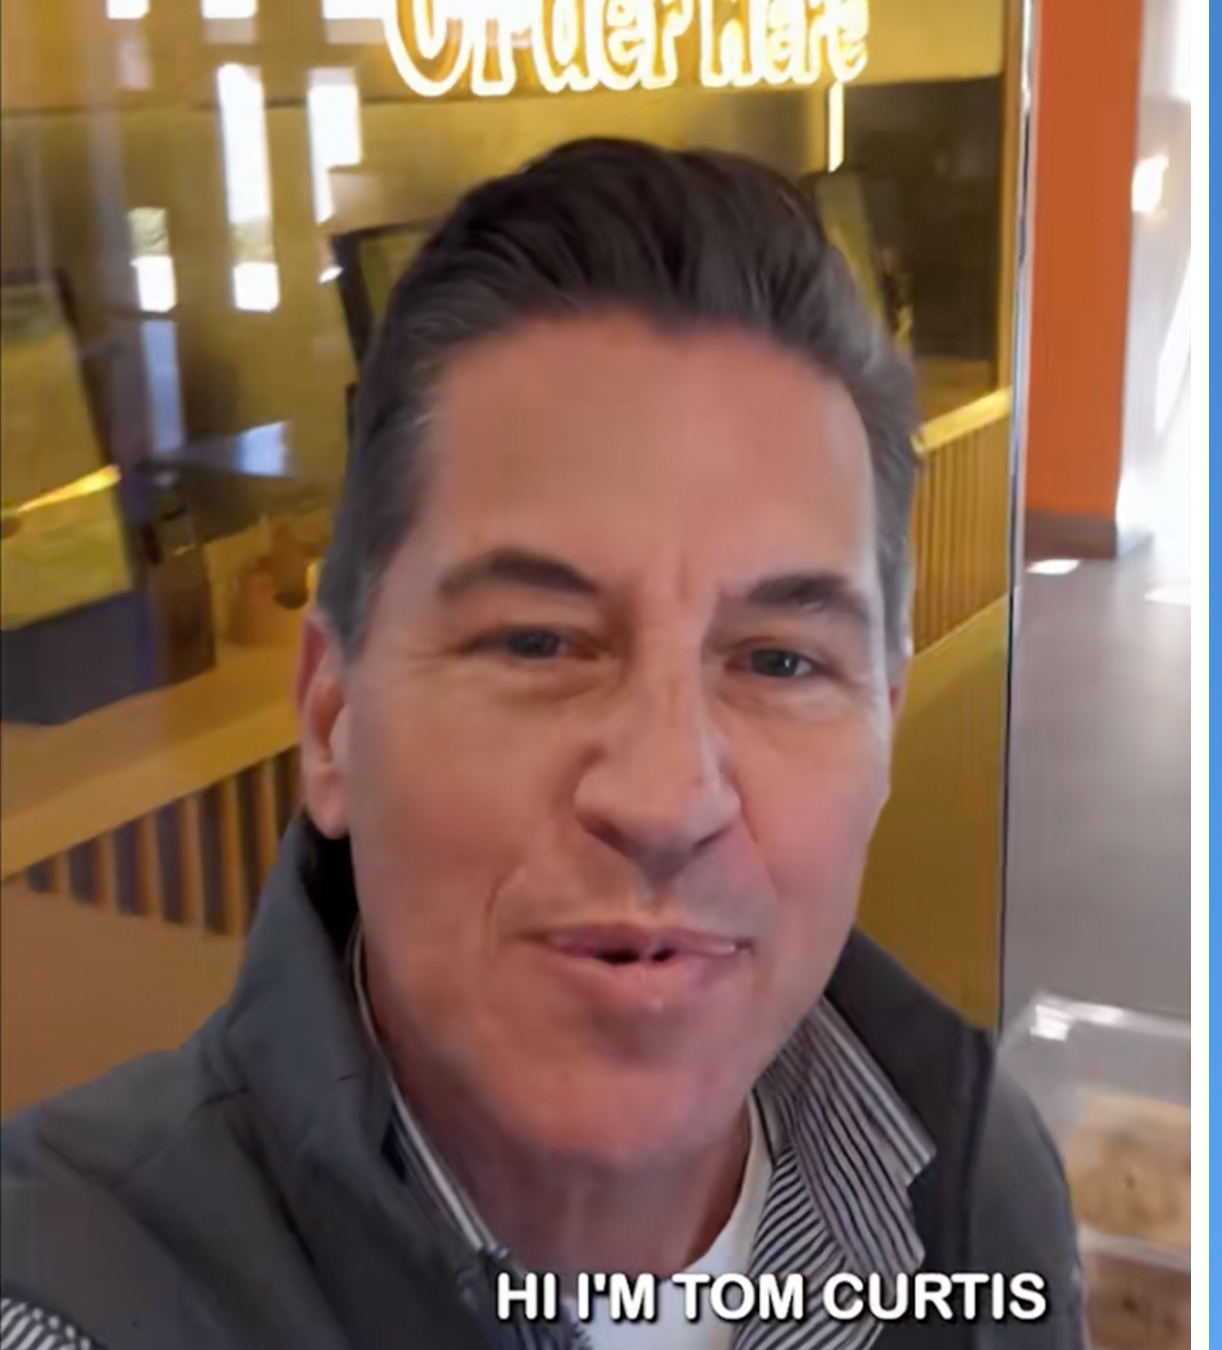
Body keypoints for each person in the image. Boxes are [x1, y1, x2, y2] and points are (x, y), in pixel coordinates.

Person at [0, 139, 1081, 1350]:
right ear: (331, 723)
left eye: (780, 661)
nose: (668, 797)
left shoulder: (981, 1193)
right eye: (537, 643)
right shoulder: (71, 1303)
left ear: (882, 732)